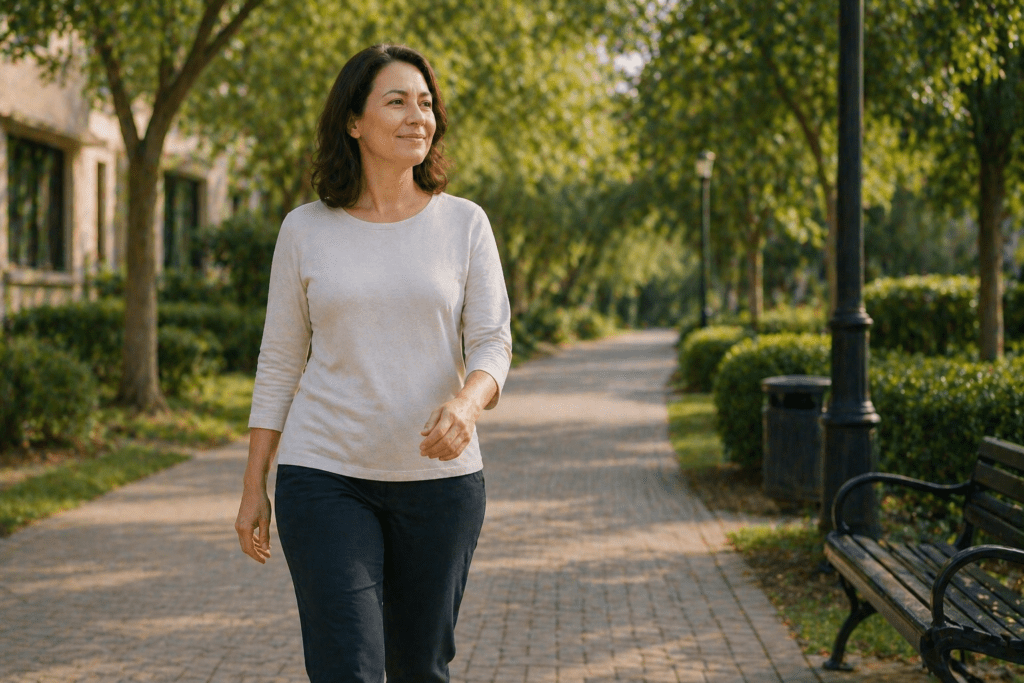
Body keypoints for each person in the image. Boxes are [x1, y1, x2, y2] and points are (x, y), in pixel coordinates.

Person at [234, 44, 512, 683]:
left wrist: (467, 404)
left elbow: (493, 343)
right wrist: (255, 485)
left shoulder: (465, 224)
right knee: (347, 669)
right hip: (325, 475)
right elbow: (279, 361)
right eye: (398, 101)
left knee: (420, 668)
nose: (420, 116)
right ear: (353, 121)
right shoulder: (305, 230)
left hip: (441, 487)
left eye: (426, 103)